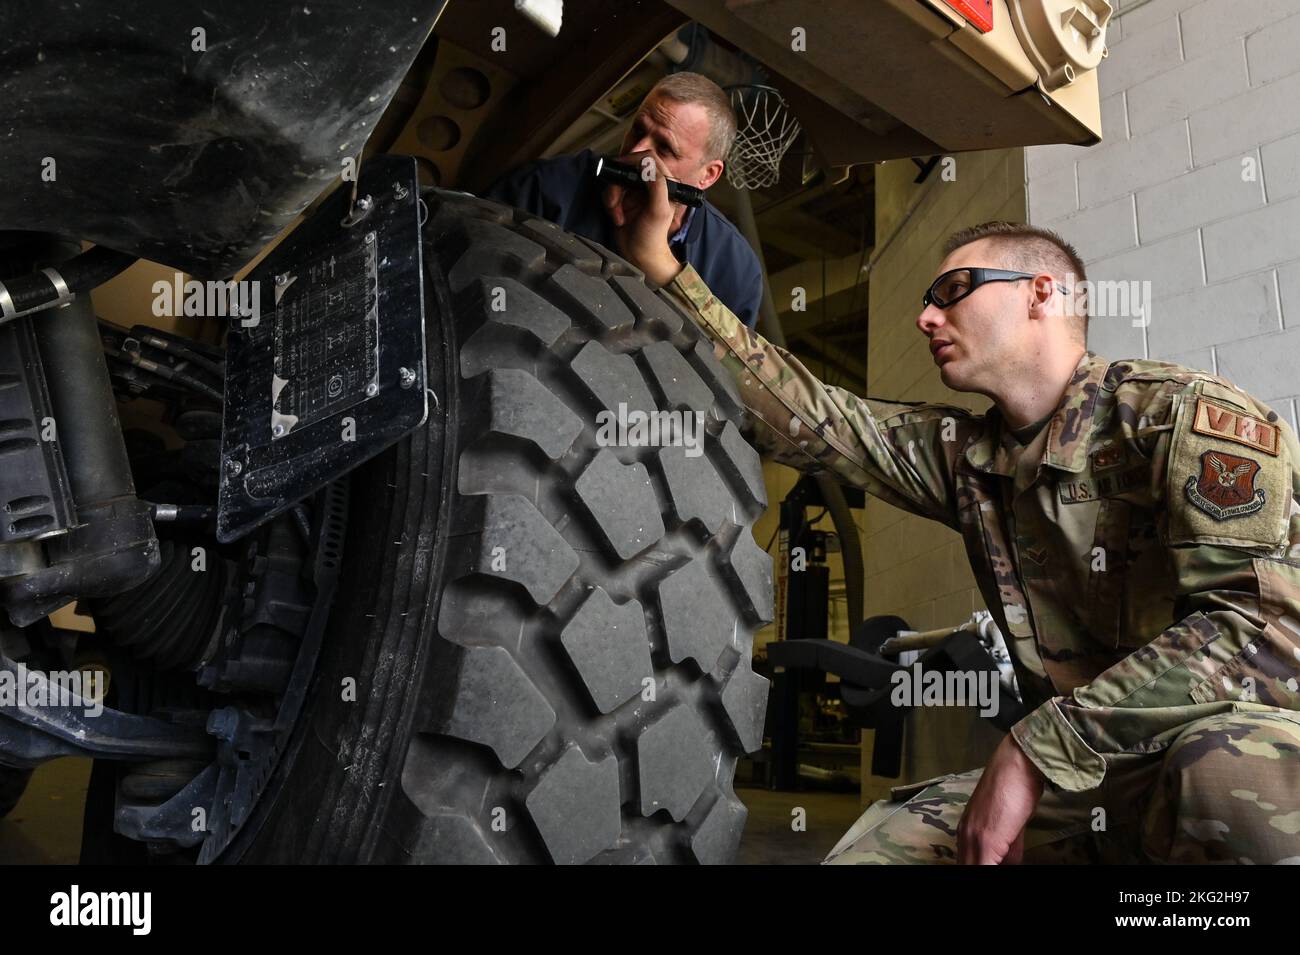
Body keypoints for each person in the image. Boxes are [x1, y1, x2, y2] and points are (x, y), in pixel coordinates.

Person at [616, 151, 1300, 864]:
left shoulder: (1180, 419)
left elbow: (1267, 632)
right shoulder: (966, 456)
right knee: (880, 853)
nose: (924, 316)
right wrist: (667, 271)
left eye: (954, 290)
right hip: (1087, 779)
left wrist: (1036, 748)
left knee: (1221, 770)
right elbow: (809, 417)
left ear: (1041, 294)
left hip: (1237, 749)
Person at [484, 72, 763, 329]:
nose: (639, 150)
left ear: (708, 175)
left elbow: (728, 372)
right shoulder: (547, 186)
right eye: (639, 130)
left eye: (665, 148)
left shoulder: (736, 270)